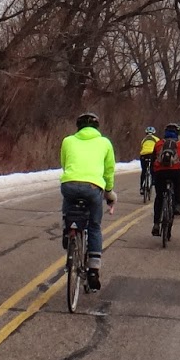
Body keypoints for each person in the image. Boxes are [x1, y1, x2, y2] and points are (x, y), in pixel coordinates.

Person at [61, 112, 116, 290]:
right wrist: (108, 192)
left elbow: (65, 163)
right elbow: (109, 171)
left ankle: (68, 229)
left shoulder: (68, 141)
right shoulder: (105, 143)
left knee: (69, 204)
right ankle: (93, 269)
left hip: (69, 184)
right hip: (93, 187)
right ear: (97, 127)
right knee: (94, 226)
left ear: (78, 127)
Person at [149, 122, 180, 234]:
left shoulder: (158, 144)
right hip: (175, 172)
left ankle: (156, 224)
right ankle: (177, 205)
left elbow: (153, 161)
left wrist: (153, 176)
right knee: (177, 188)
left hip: (160, 173)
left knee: (159, 197)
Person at [137, 126, 159, 197]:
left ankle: (142, 188)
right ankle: (153, 181)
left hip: (143, 155)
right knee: (153, 169)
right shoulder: (156, 139)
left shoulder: (144, 139)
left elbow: (142, 146)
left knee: (144, 170)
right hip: (152, 154)